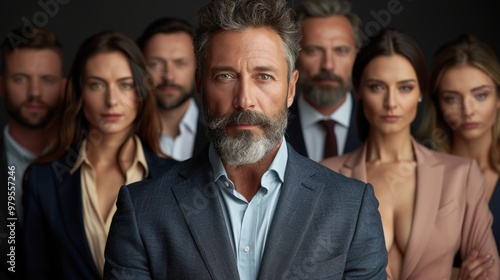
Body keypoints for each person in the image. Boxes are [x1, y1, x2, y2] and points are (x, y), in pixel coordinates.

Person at [103, 0, 387, 279]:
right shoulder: (143, 209)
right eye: (225, 76)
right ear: (200, 87)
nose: (244, 100)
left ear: (290, 89)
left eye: (263, 76)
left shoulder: (351, 207)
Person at [321, 28, 499, 279]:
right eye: (377, 87)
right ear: (359, 90)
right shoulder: (325, 174)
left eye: (405, 88)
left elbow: (488, 272)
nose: (391, 102)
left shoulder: (462, 174)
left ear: (421, 93)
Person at [22, 31, 178, 280]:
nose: (111, 100)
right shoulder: (43, 179)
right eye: (96, 84)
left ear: (140, 93)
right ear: (79, 92)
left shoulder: (177, 178)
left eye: (125, 84)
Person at [430, 34, 500, 278]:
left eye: (480, 95)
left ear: (499, 97)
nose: (468, 110)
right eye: (452, 98)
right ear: (438, 103)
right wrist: (454, 274)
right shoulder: (419, 170)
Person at [0, 26, 65, 280]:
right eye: (21, 79)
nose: (35, 93)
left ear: (63, 86)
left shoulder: (87, 161)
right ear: (2, 85)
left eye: (46, 80)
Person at [285, 0, 363, 162]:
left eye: (341, 50)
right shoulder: (272, 126)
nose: (328, 65)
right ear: (294, 56)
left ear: (358, 56)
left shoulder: (377, 125)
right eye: (313, 50)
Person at [137, 17, 209, 161]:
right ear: (140, 68)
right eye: (155, 64)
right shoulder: (123, 133)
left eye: (180, 63)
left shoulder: (220, 132)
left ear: (198, 68)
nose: (168, 76)